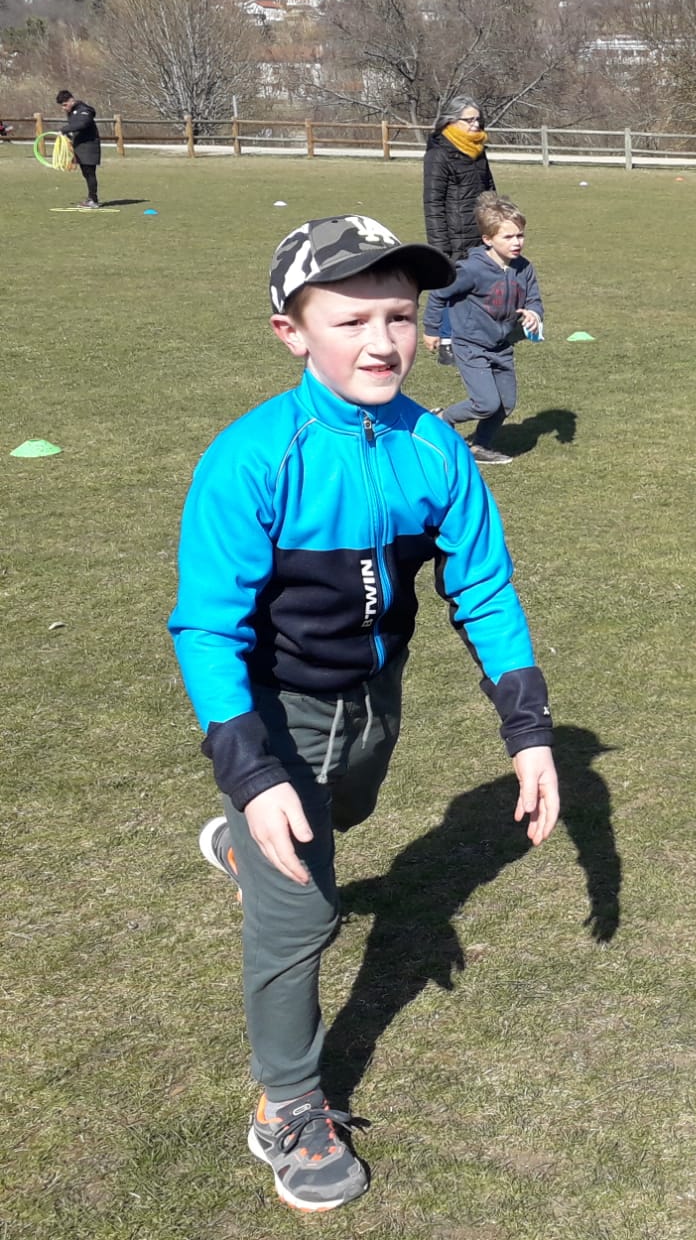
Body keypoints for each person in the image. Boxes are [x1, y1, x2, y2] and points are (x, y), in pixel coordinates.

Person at [170, 215, 559, 1213]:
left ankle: (244, 845)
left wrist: (528, 731)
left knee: (342, 820)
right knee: (301, 910)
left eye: (400, 314)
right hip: (273, 710)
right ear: (291, 333)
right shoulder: (252, 459)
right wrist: (252, 772)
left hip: (371, 703)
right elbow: (208, 632)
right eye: (351, 319)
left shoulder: (433, 448)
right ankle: (288, 1107)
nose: (382, 340)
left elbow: (485, 588)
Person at [432, 193, 544, 465]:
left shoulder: (524, 268)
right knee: (485, 403)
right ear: (487, 240)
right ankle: (441, 419)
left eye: (520, 235)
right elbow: (439, 294)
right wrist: (432, 329)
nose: (517, 242)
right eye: (508, 237)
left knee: (505, 404)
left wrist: (533, 314)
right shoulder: (471, 270)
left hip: (501, 346)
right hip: (471, 345)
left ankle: (478, 446)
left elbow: (534, 298)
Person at [420, 96, 497, 363]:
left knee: (478, 284)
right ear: (452, 121)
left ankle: (475, 336)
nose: (476, 124)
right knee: (450, 287)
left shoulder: (478, 150)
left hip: (479, 232)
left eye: (478, 119)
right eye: (470, 119)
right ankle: (446, 342)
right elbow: (433, 202)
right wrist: (440, 245)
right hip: (453, 236)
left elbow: (489, 190)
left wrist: (495, 224)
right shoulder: (439, 153)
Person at [54, 89, 101, 209]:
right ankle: (91, 198)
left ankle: (93, 200)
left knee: (90, 173)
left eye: (65, 105)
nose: (64, 108)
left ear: (71, 100)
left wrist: (65, 129)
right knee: (85, 173)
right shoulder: (72, 112)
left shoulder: (84, 110)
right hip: (80, 146)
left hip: (89, 146)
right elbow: (76, 128)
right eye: (62, 106)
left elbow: (83, 124)